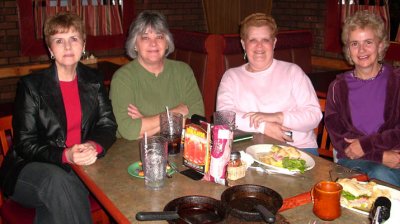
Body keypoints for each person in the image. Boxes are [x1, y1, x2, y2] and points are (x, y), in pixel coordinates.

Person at [0, 12, 117, 223]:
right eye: (59, 41)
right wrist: (66, 155)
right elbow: (25, 144)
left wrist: (93, 146)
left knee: (62, 194)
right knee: (60, 181)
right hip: (28, 169)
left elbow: (107, 124)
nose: (67, 46)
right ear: (50, 49)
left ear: (83, 44)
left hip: (77, 168)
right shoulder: (31, 86)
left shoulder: (94, 80)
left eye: (74, 38)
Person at [216, 13, 322, 155]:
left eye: (265, 40)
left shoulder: (293, 72)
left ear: (274, 43)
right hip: (249, 151)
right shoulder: (231, 76)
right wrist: (264, 127)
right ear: (243, 44)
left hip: (298, 150)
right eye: (253, 40)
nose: (259, 46)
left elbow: (314, 116)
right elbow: (223, 118)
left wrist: (278, 117)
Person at [325, 10, 400, 187]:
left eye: (368, 42)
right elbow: (340, 140)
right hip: (353, 162)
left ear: (381, 45)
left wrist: (366, 145)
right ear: (348, 49)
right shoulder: (337, 87)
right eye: (354, 44)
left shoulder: (397, 82)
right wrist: (380, 156)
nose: (361, 50)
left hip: (396, 156)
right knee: (379, 173)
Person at [110, 10, 204, 140]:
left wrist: (145, 122)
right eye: (145, 37)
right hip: (133, 152)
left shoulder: (183, 71)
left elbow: (196, 121)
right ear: (135, 44)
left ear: (167, 43)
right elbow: (129, 131)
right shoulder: (123, 78)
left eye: (159, 36)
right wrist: (175, 113)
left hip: (178, 148)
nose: (153, 43)